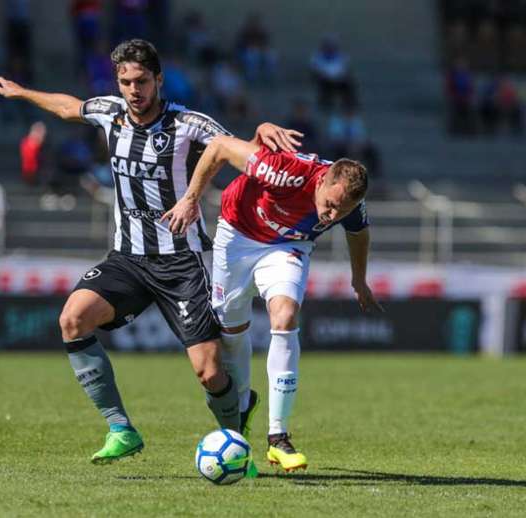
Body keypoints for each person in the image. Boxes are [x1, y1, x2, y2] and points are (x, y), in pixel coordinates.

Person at [0, 38, 301, 464]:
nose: (133, 89)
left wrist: (259, 135)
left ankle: (235, 433)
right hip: (127, 260)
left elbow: (232, 150)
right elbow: (69, 107)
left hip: (183, 263)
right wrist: (22, 92)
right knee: (72, 319)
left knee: (210, 373)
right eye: (125, 82)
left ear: (158, 79)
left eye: (141, 80)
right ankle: (121, 429)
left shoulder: (189, 124)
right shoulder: (110, 113)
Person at [162, 133, 383, 473]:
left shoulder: (351, 204)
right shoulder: (285, 170)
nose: (331, 214)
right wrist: (191, 199)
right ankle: (241, 408)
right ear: (323, 180)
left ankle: (278, 437)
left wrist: (359, 279)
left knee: (285, 317)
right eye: (330, 204)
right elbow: (219, 146)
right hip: (236, 237)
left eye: (342, 211)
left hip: (287, 248)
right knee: (232, 333)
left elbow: (359, 233)